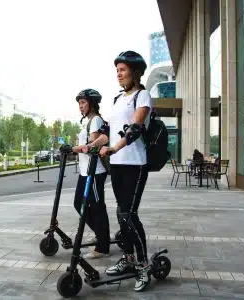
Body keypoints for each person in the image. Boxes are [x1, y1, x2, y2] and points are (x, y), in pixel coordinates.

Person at [96, 50, 153, 291]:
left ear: (135, 72)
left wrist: (114, 148)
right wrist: (89, 146)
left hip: (135, 164)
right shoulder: (118, 99)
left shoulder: (143, 95)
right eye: (117, 70)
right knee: (121, 214)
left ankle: (143, 266)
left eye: (122, 69)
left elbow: (135, 128)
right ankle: (128, 258)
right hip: (118, 166)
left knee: (130, 214)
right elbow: (109, 131)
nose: (118, 74)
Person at [71, 88, 111, 259]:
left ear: (92, 104)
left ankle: (102, 246)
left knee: (97, 207)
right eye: (79, 103)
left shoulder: (95, 121)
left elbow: (93, 147)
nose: (80, 106)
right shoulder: (88, 121)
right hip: (86, 172)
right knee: (78, 203)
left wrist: (73, 149)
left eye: (83, 102)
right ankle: (102, 235)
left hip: (95, 172)